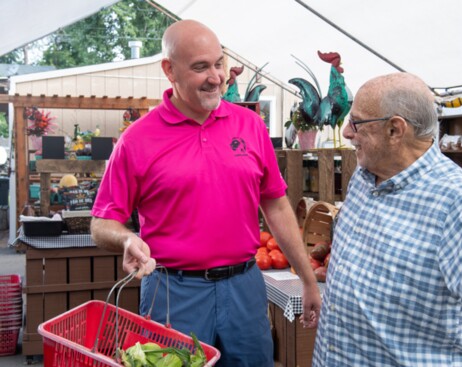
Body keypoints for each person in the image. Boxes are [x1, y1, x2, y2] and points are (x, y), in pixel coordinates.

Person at [90, 19, 321, 367]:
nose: (215, 77)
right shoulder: (137, 140)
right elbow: (101, 222)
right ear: (170, 70)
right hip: (173, 292)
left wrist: (307, 279)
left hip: (244, 287)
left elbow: (276, 206)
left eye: (219, 64)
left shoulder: (250, 126)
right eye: (200, 67)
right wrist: (125, 240)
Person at [312, 72, 462, 367]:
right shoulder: (364, 176)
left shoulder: (456, 198)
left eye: (356, 123)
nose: (346, 132)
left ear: (395, 130)